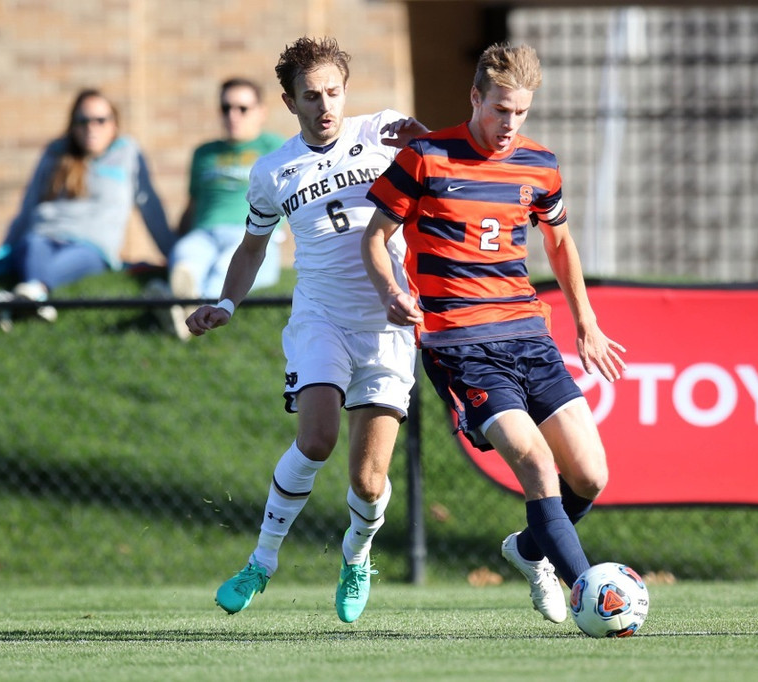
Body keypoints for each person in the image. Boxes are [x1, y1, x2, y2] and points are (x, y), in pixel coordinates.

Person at [361, 43, 626, 624]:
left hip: (529, 337)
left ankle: (529, 549)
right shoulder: (425, 157)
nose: (510, 124)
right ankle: (593, 592)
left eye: (521, 112)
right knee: (534, 462)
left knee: (592, 475)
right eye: (501, 109)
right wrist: (392, 294)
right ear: (476, 97)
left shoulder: (540, 164)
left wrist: (587, 322)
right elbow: (374, 237)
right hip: (461, 347)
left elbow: (558, 241)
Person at [185, 36, 428, 623]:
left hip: (388, 324)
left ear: (346, 91)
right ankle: (262, 562)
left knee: (369, 483)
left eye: (334, 92)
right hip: (321, 318)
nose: (326, 106)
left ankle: (357, 554)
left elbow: (445, 159)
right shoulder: (272, 171)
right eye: (311, 96)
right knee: (316, 439)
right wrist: (226, 302)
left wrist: (426, 139)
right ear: (290, 103)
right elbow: (252, 247)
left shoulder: (385, 132)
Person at [0, 88, 173, 325]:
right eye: (83, 121)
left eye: (101, 120)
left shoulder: (127, 153)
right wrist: (6, 248)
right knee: (32, 244)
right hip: (43, 236)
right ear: (73, 125)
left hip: (92, 247)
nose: (92, 127)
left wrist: (173, 253)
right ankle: (31, 298)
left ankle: (21, 298)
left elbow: (149, 206)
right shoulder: (55, 153)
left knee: (76, 257)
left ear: (114, 123)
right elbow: (28, 207)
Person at [155, 78, 285, 340]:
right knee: (185, 258)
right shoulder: (204, 153)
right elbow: (192, 204)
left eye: (242, 108)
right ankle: (182, 306)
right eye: (226, 108)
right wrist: (177, 240)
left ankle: (180, 309)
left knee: (225, 268)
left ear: (261, 112)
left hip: (250, 233)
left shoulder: (275, 147)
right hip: (203, 232)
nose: (233, 115)